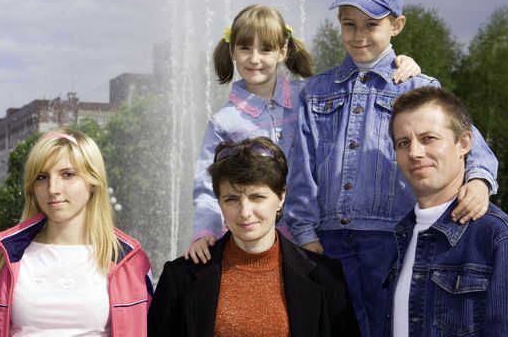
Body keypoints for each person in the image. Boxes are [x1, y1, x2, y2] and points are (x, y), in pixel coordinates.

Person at [282, 0, 499, 336]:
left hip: (392, 238)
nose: (359, 35)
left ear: (396, 25)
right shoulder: (316, 91)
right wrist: (305, 231)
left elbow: (471, 145)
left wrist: (479, 181)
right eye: (349, 24)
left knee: (391, 325)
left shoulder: (416, 85)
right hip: (328, 239)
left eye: (371, 24)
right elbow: (300, 168)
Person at [187, 4, 421, 264]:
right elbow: (207, 187)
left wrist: (399, 62)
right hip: (250, 238)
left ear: (282, 52)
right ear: (232, 51)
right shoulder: (224, 121)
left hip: (308, 237)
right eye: (245, 48)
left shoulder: (310, 94)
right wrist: (204, 232)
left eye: (265, 49)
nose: (254, 58)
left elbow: (358, 94)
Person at [149, 137, 361, 336]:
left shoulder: (325, 277)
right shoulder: (179, 277)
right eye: (231, 199)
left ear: (280, 197)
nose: (245, 212)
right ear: (219, 202)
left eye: (256, 197)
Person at [0, 128, 153, 336]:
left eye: (67, 174)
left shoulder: (131, 262)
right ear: (32, 187)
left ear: (93, 182)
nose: (53, 188)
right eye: (42, 177)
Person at [385, 86, 508, 336]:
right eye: (403, 143)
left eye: (428, 138)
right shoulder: (400, 235)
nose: (414, 152)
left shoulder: (499, 238)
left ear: (464, 143)